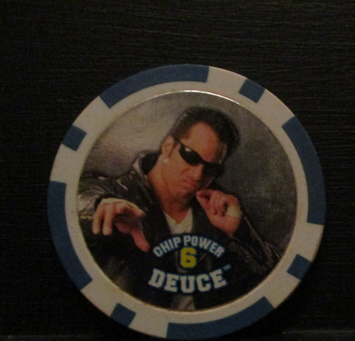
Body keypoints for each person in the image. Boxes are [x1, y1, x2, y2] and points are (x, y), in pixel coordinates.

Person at [78, 107, 279, 310]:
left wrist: (241, 233)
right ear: (168, 147)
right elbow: (80, 200)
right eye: (191, 156)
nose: (197, 175)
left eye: (211, 168)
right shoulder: (119, 195)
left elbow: (275, 284)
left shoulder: (217, 212)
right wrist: (100, 207)